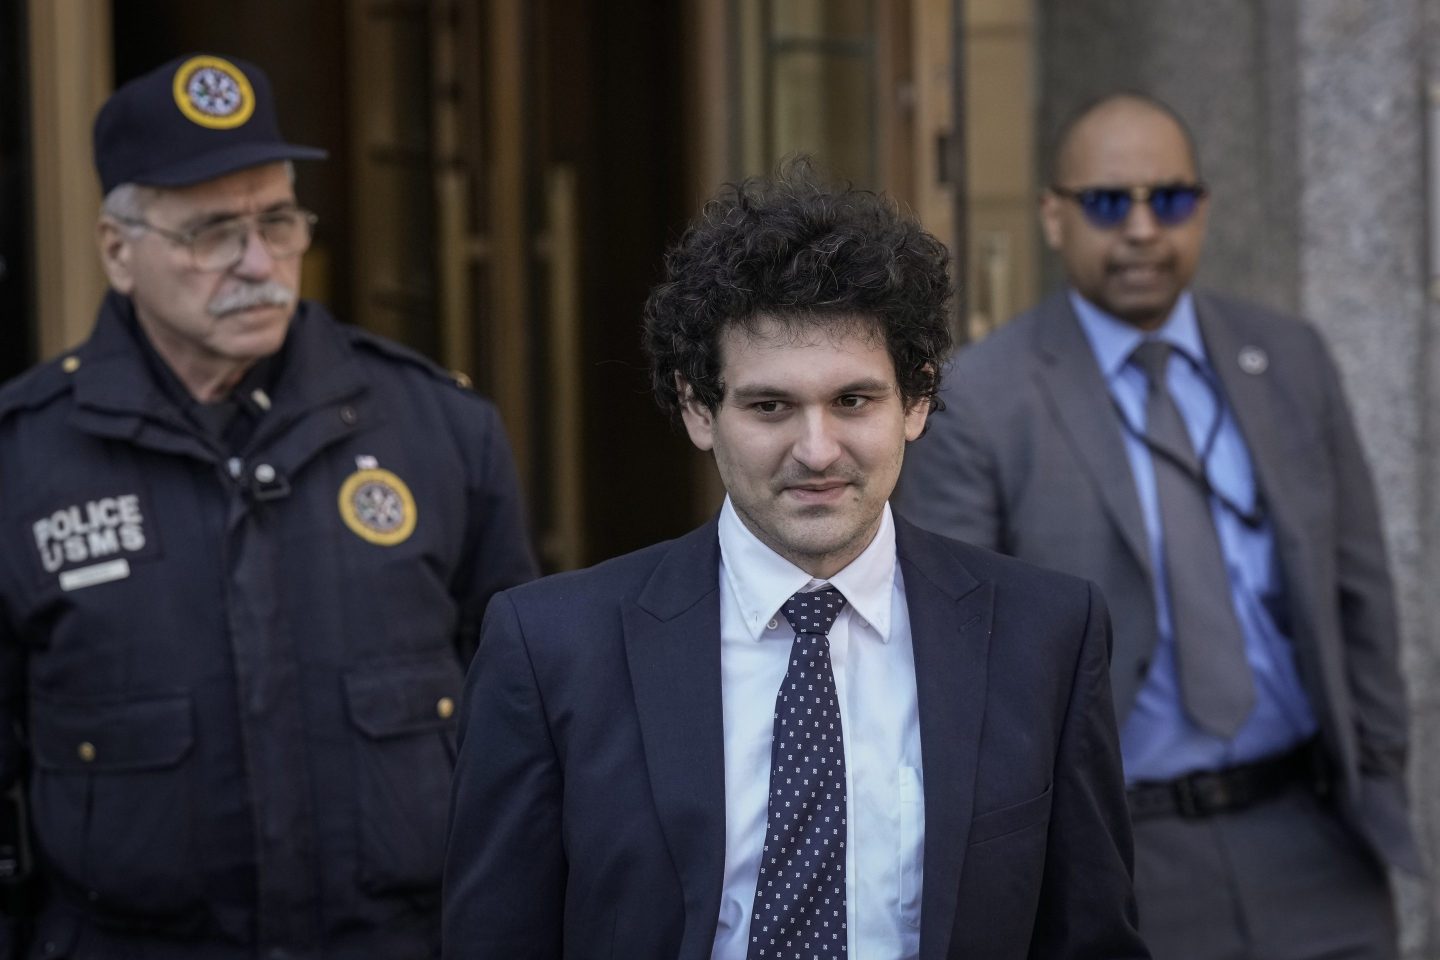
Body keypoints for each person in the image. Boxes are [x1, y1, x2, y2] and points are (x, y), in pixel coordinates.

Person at [442, 165, 1147, 959]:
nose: (817, 450)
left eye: (853, 401)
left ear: (916, 400)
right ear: (697, 408)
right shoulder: (551, 650)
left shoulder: (1045, 636)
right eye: (770, 406)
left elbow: (1089, 939)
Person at [0, 53, 536, 959]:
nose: (259, 263)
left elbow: (520, 733)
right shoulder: (25, 458)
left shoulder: (438, 429)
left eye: (278, 221)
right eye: (211, 232)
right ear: (118, 251)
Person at [895, 92, 1420, 959]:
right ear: (1053, 217)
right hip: (1125, 861)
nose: (1142, 229)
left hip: (1316, 845)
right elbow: (960, 666)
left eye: (1167, 199)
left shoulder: (1289, 357)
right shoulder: (980, 402)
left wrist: (1379, 770)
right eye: (1108, 203)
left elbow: (1359, 590)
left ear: (1201, 209)